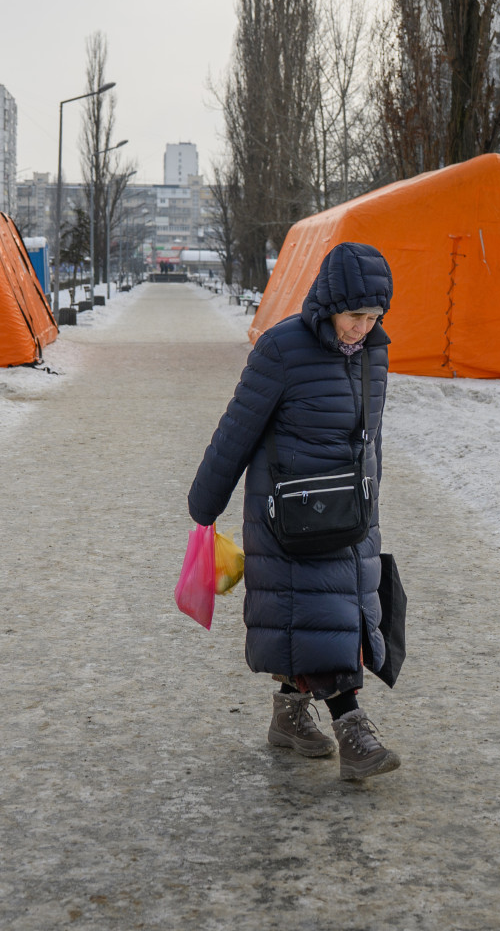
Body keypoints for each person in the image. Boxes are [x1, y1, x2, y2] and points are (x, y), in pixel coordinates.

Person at [187, 242, 401, 780]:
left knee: (337, 617)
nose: (363, 328)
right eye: (356, 316)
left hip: (350, 517)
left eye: (374, 317)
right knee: (321, 618)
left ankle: (287, 716)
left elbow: (369, 438)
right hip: (289, 516)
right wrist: (205, 505)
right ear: (330, 303)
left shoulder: (376, 352)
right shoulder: (282, 349)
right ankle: (352, 729)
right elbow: (238, 429)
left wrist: (371, 501)